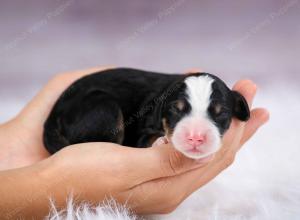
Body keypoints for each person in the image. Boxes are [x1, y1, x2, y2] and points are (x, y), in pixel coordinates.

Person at [0, 66, 269, 219]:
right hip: (88, 105)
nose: (197, 134)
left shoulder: (172, 97)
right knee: (106, 118)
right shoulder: (158, 101)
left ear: (236, 109)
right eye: (180, 112)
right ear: (164, 109)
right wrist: (53, 181)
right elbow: (146, 133)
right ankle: (91, 143)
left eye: (219, 116)